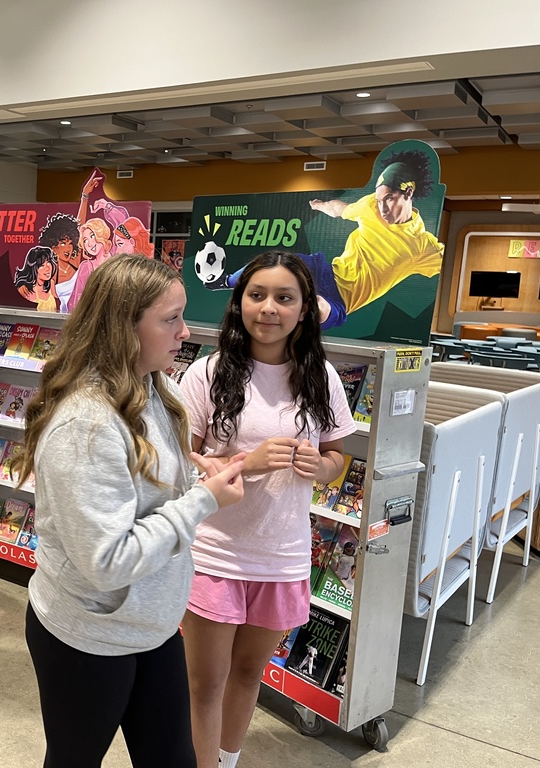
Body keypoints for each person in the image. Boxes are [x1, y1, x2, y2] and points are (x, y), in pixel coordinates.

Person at [9, 254, 247, 768]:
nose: (186, 331)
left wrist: (186, 469)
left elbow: (140, 471)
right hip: (89, 636)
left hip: (151, 625)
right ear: (124, 326)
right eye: (170, 319)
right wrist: (202, 501)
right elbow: (108, 560)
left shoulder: (152, 384)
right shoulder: (85, 424)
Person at [179, 251, 357, 768]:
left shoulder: (321, 376)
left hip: (281, 555)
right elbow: (181, 462)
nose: (269, 308)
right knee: (204, 681)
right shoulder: (207, 373)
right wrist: (244, 462)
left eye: (285, 298)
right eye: (257, 295)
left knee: (247, 674)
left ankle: (227, 760)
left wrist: (323, 470)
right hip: (215, 551)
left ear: (305, 309)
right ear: (238, 303)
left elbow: (336, 456)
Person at [220, 150, 443, 330]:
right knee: (273, 261)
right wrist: (321, 206)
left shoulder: (423, 247)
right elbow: (340, 209)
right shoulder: (370, 207)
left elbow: (449, 269)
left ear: (408, 192)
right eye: (379, 199)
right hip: (326, 270)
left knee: (319, 309)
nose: (382, 208)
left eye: (389, 199)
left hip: (342, 299)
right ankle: (224, 281)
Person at [66, 218, 112, 313]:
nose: (90, 244)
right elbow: (76, 301)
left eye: (92, 236)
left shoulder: (117, 263)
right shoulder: (86, 267)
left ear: (101, 234)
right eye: (85, 241)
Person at [37, 212, 80, 312]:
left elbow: (80, 224)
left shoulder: (76, 265)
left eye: (70, 243)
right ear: (54, 248)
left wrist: (84, 198)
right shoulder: (51, 274)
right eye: (63, 243)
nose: (68, 248)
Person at [14, 245, 58, 312]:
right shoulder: (25, 289)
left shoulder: (51, 283)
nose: (48, 268)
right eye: (42, 265)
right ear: (33, 268)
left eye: (48, 262)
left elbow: (59, 307)